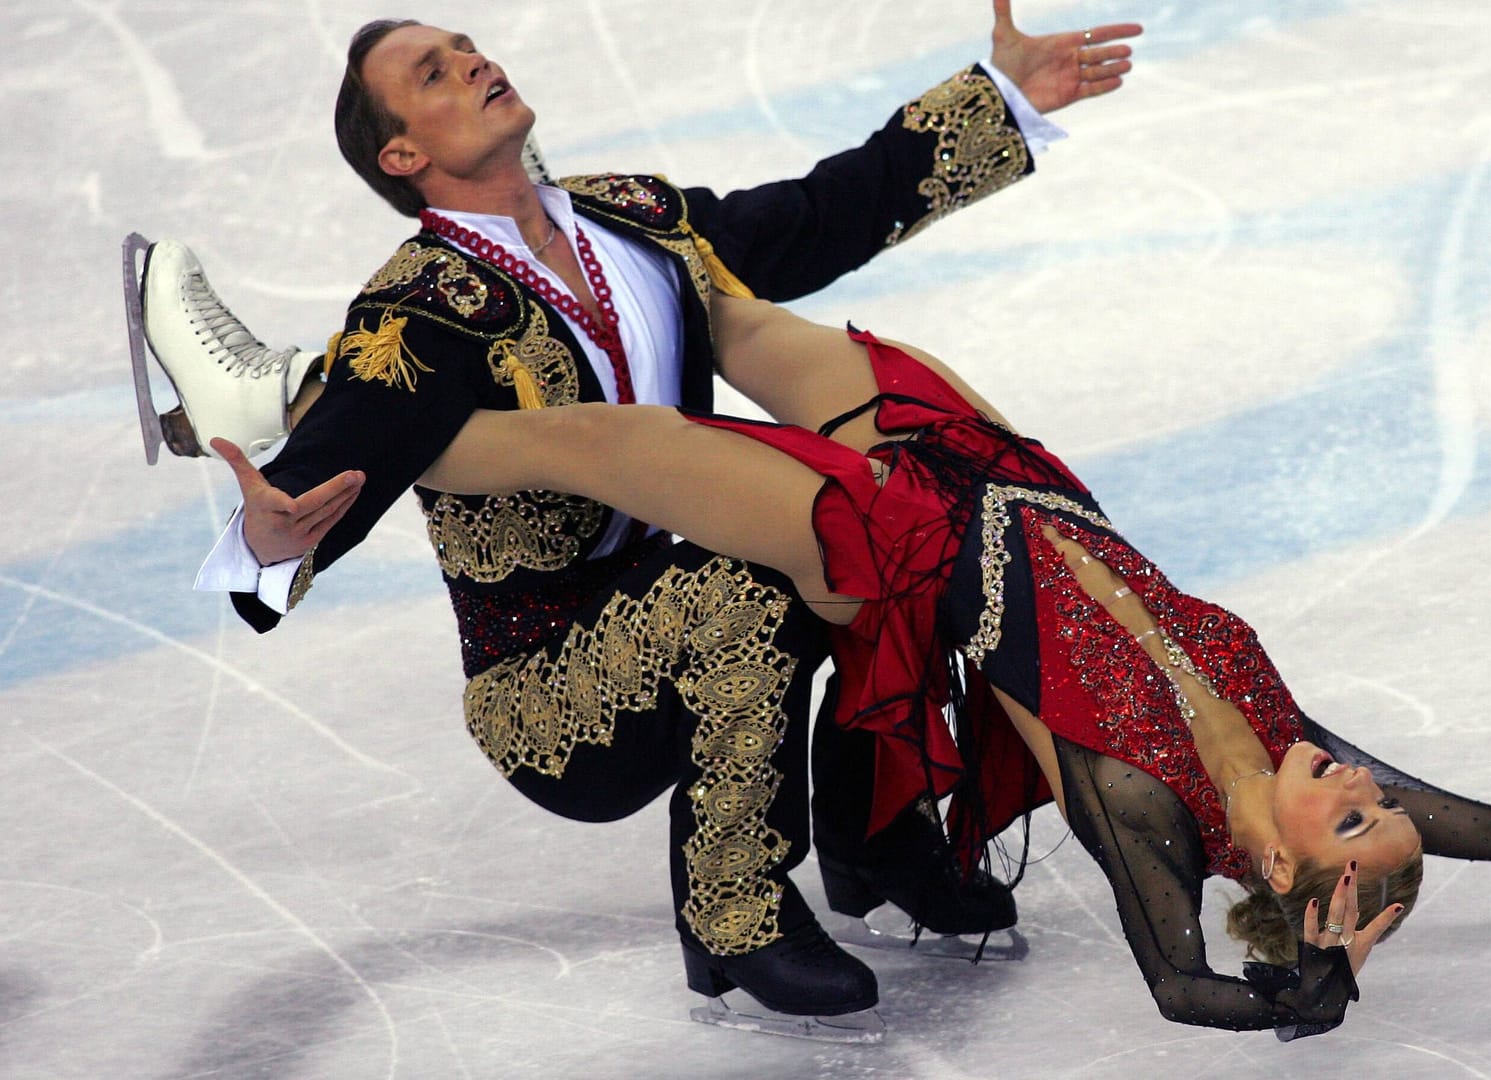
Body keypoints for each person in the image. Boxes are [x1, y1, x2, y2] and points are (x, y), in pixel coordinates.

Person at [227, 293, 1491, 1039]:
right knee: (694, 286)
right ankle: (446, 318)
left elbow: (1184, 985)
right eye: (1385, 800)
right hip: (1007, 468)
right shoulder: (1291, 743)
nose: (1369, 778)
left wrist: (1306, 990)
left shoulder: (1145, 811)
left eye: (1352, 816)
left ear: (1293, 872)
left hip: (910, 548)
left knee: (607, 442)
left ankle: (274, 416)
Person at [155, 6, 1143, 1041]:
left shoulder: (635, 218)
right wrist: (270, 538)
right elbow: (323, 475)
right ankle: (732, 913)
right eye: (435, 75)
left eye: (467, 49)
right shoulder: (419, 314)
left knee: (891, 512)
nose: (474, 63)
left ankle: (876, 833)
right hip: (545, 690)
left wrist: (1006, 98)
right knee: (757, 580)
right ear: (402, 153)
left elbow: (815, 215)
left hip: (679, 594)